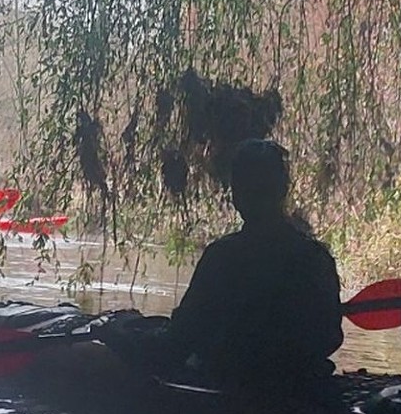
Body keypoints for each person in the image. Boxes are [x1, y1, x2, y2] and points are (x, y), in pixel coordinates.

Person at [114, 139, 343, 394]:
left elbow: (180, 339)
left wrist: (120, 338)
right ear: (283, 190)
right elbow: (330, 338)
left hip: (232, 385)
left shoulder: (222, 257)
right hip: (301, 387)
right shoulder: (316, 256)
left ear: (236, 196)